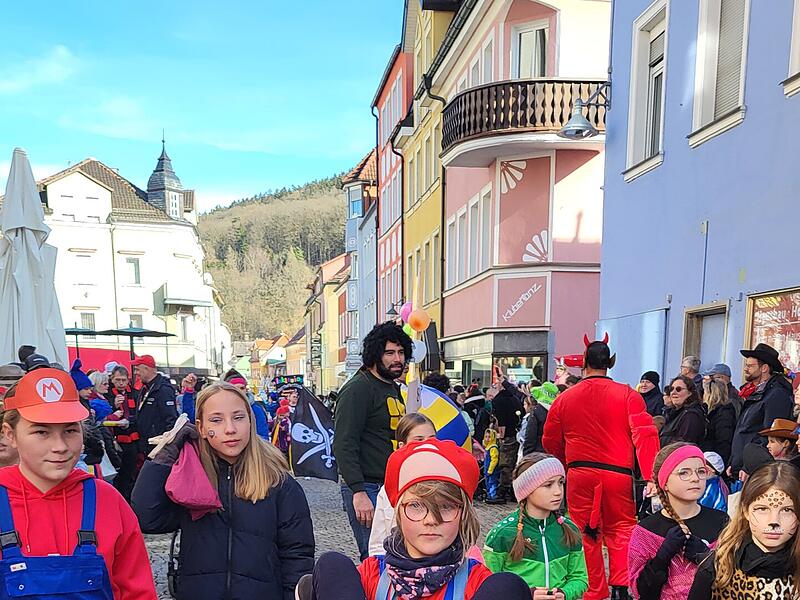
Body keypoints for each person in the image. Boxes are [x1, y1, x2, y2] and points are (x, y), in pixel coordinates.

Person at [132, 381, 314, 599]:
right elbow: (147, 517)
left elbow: (297, 556)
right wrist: (166, 456)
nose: (230, 429)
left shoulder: (278, 482)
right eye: (216, 420)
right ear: (200, 428)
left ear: (250, 421)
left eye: (238, 417)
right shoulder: (190, 480)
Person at [302, 439, 531, 600]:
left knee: (509, 586)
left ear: (463, 515)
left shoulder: (478, 583)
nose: (431, 520)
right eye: (416, 506)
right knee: (332, 564)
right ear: (398, 512)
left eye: (446, 507)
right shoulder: (369, 577)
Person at [0, 367, 157, 598]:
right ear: (10, 434)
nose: (60, 446)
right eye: (42, 432)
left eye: (70, 430)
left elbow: (138, 592)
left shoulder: (107, 501)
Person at [542, 335, 660, 600]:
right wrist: (652, 474)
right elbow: (645, 434)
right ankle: (621, 587)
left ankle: (592, 590)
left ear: (583, 363)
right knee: (622, 529)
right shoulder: (628, 395)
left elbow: (550, 439)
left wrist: (565, 463)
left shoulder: (564, 399)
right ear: (611, 362)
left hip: (580, 473)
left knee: (585, 533)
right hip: (618, 474)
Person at [332, 321, 411, 560]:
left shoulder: (391, 388)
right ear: (375, 355)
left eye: (400, 352)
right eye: (389, 353)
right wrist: (358, 491)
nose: (397, 359)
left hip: (392, 486)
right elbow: (344, 443)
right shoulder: (359, 388)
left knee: (400, 555)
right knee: (376, 556)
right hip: (368, 487)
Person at [627, 443, 728, 600]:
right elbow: (641, 591)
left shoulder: (721, 522)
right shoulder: (646, 530)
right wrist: (662, 557)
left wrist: (706, 557)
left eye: (701, 471)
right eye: (684, 473)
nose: (695, 478)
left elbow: (737, 578)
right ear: (665, 482)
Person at [688, 460, 800, 599]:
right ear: (746, 511)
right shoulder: (718, 568)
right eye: (762, 509)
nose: (774, 522)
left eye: (787, 510)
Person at [483, 453, 588, 599]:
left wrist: (565, 593)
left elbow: (580, 578)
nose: (558, 491)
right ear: (527, 489)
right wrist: (526, 595)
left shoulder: (569, 529)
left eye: (561, 482)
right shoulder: (502, 534)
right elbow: (487, 587)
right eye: (548, 485)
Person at [367, 412, 436, 556]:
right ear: (402, 446)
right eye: (419, 440)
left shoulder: (447, 486)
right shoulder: (389, 489)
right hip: (397, 567)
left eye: (432, 439)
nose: (427, 445)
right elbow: (378, 543)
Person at [729, 343, 794, 479]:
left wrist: (749, 465)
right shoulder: (757, 392)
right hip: (742, 467)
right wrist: (733, 461)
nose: (746, 369)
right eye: (746, 365)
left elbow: (770, 433)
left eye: (750, 366)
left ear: (764, 368)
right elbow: (742, 431)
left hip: (755, 469)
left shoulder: (776, 394)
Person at [105, 365, 140, 501]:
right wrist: (113, 405)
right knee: (118, 473)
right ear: (112, 379)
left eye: (123, 380)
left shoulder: (134, 394)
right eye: (117, 380)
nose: (120, 383)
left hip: (132, 438)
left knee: (130, 472)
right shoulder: (107, 394)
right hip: (115, 438)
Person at [487, 377, 525, 500]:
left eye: (496, 384)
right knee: (514, 463)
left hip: (506, 436)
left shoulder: (498, 400)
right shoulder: (515, 399)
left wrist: (501, 436)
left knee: (505, 464)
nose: (495, 386)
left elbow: (500, 420)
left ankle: (504, 489)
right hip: (517, 433)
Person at [132, 355, 178, 455]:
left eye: (137, 369)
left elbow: (171, 418)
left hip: (158, 447)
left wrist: (165, 445)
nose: (136, 373)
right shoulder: (145, 388)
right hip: (146, 445)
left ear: (146, 368)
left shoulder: (163, 389)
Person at [660, 376, 707, 446]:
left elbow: (684, 444)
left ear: (690, 392)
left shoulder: (691, 416)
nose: (673, 392)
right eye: (671, 389)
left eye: (678, 389)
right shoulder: (670, 413)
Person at [699, 379, 736, 467]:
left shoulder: (724, 413)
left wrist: (717, 464)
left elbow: (724, 440)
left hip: (715, 462)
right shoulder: (711, 412)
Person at [483, 428, 501, 504]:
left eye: (489, 437)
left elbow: (494, 460)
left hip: (492, 470)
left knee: (492, 483)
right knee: (487, 483)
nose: (487, 439)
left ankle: (493, 496)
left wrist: (490, 470)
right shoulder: (487, 447)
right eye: (486, 437)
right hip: (487, 469)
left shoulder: (493, 448)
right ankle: (489, 495)